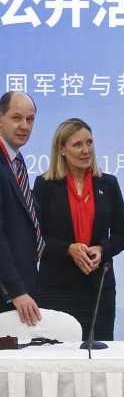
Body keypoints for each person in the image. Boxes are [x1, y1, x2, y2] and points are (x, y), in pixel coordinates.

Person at [33, 118, 124, 340]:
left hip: (99, 289)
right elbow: (35, 237)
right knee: (58, 354)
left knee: (99, 352)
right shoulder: (45, 185)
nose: (86, 150)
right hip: (56, 288)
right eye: (77, 145)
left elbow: (122, 236)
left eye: (89, 142)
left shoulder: (108, 184)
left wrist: (101, 248)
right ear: (61, 149)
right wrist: (68, 249)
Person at [0, 90, 43, 325]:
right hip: (9, 293)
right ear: (0, 117)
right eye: (16, 118)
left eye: (30, 119)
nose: (24, 126)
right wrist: (16, 291)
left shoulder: (16, 159)